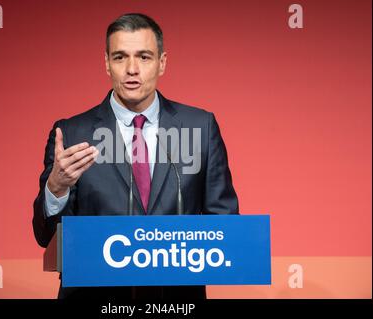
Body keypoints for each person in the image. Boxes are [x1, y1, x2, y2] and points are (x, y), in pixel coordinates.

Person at [33, 13, 239, 300]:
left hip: (175, 300)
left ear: (162, 62)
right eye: (120, 57)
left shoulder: (200, 126)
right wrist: (56, 188)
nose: (132, 69)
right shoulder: (71, 133)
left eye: (144, 57)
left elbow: (224, 225)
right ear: (106, 63)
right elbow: (47, 238)